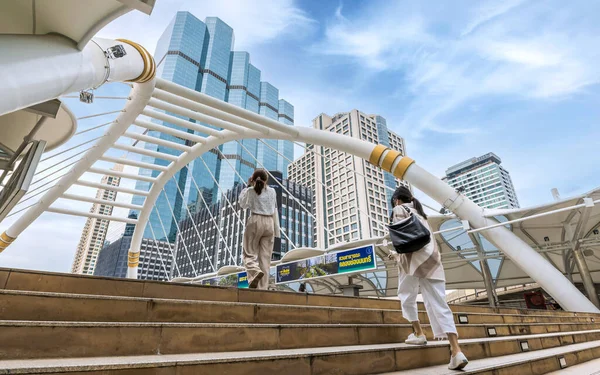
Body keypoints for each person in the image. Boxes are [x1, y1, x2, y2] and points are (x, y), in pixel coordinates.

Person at [388, 186, 468, 370]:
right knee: (440, 304)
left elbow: (404, 243)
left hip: (412, 262)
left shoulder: (398, 210)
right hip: (433, 262)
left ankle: (419, 333)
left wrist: (396, 255)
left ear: (397, 200)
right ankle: (456, 351)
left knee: (406, 297)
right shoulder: (422, 216)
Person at [239, 169, 280, 289]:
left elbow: (242, 204)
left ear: (253, 179)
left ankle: (254, 272)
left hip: (255, 220)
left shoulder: (251, 191)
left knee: (249, 253)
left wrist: (248, 185)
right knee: (265, 259)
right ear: (266, 180)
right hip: (269, 223)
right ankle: (262, 288)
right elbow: (273, 208)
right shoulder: (272, 191)